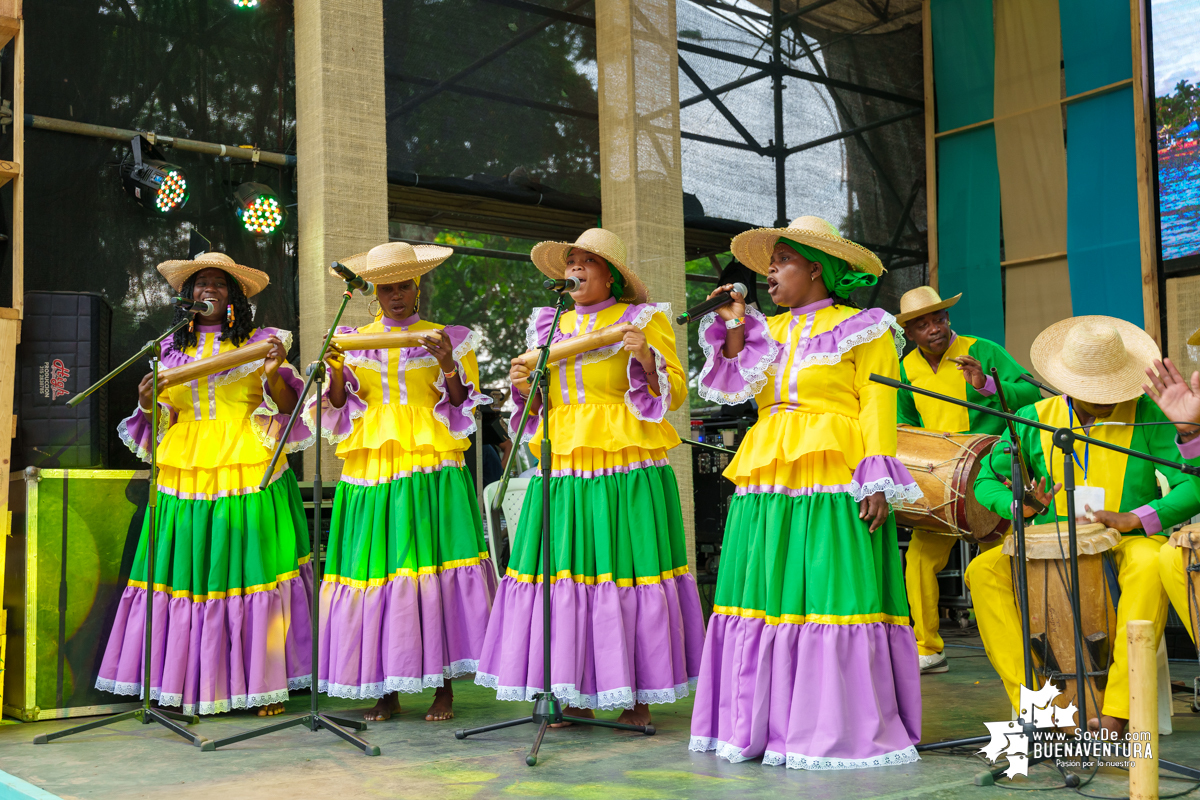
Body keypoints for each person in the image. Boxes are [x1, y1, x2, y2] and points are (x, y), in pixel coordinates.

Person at [689, 216, 923, 770]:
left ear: (816, 268)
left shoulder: (865, 325)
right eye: (768, 263)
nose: (768, 271)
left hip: (833, 467)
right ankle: (761, 723)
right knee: (765, 591)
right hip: (768, 469)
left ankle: (829, 728)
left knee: (828, 590)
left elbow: (877, 404)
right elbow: (737, 386)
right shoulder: (764, 330)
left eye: (782, 261)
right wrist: (734, 325)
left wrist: (876, 480)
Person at [474, 227, 706, 728]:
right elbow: (540, 406)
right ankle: (571, 690)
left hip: (624, 463)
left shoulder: (643, 319)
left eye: (586, 261)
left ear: (611, 275)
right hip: (562, 463)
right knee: (564, 574)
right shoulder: (550, 326)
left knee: (625, 568)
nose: (574, 268)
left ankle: (636, 699)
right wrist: (523, 388)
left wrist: (644, 355)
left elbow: (675, 393)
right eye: (570, 261)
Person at [96, 252, 315, 717]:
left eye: (218, 282)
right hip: (186, 470)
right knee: (189, 576)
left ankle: (263, 682)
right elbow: (163, 418)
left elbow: (288, 406)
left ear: (235, 296)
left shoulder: (264, 342)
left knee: (249, 573)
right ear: (188, 296)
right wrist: (146, 400)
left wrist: (274, 372)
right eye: (199, 283)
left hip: (246, 465)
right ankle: (183, 680)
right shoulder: (170, 351)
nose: (207, 288)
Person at [968, 315, 1198, 735]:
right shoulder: (1031, 417)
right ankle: (1033, 701)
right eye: (1095, 392)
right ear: (1069, 382)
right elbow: (986, 480)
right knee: (982, 571)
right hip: (1050, 541)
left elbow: (1194, 481)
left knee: (1150, 564)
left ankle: (1118, 708)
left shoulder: (1150, 413)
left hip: (1126, 539)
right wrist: (1021, 504)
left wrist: (1139, 517)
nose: (1105, 399)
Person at [313, 242, 495, 723]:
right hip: (372, 469)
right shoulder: (353, 338)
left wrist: (447, 363)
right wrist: (333, 370)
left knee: (431, 566)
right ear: (373, 291)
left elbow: (461, 405)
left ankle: (443, 689)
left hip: (429, 465)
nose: (395, 295)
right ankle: (386, 690)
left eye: (403, 285)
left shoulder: (448, 336)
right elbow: (336, 404)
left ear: (418, 287)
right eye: (386, 287)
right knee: (380, 571)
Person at [895, 286, 1041, 674]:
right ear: (909, 332)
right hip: (939, 487)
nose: (935, 329)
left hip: (994, 476)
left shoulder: (984, 349)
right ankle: (928, 647)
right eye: (923, 324)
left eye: (939, 319)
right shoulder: (905, 368)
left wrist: (986, 386)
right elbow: (903, 423)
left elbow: (1029, 393)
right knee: (919, 563)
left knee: (1010, 563)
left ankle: (1030, 644)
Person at [1141, 353, 1200, 647]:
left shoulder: (1143, 414)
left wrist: (1140, 517)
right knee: (1173, 556)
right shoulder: (1034, 417)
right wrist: (1190, 433)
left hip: (1134, 538)